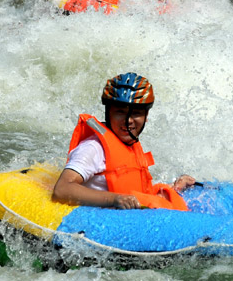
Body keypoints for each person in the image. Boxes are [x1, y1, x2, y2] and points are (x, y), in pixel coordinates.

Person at [52, 73, 195, 210]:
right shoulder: (93, 148)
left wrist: (175, 186)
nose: (128, 122)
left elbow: (139, 192)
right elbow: (62, 190)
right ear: (108, 113)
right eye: (120, 112)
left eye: (136, 113)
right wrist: (114, 199)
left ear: (146, 116)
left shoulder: (130, 145)